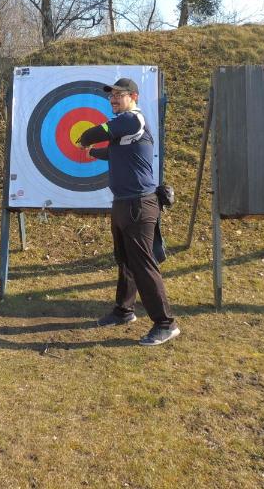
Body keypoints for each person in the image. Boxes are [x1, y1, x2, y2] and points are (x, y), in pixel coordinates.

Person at [76, 78, 179, 346]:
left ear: (133, 97)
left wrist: (84, 141)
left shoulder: (132, 120)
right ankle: (124, 310)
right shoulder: (124, 130)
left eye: (119, 95)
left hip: (139, 204)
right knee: (125, 260)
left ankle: (166, 323)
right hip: (124, 203)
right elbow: (116, 152)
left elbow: (92, 134)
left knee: (143, 265)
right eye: (111, 96)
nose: (113, 99)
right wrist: (94, 153)